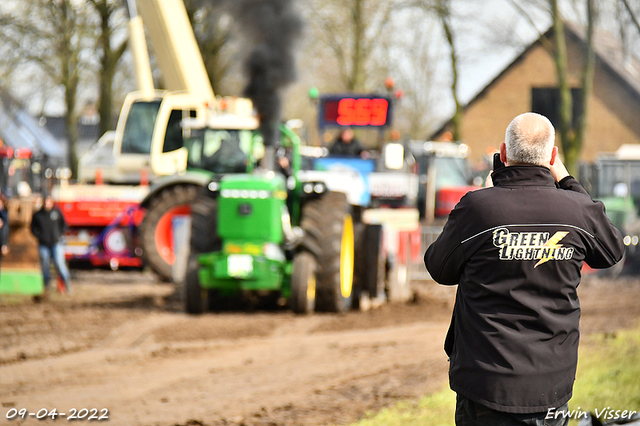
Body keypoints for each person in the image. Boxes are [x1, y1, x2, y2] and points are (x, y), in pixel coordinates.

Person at [424, 112, 624, 426]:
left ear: (503, 154)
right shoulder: (577, 210)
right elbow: (611, 250)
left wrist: (483, 195)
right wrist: (569, 181)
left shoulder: (477, 209)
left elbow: (438, 268)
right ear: (553, 157)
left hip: (485, 386)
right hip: (551, 389)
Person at [31, 195, 71, 293]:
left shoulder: (57, 212)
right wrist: (39, 236)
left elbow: (64, 225)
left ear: (52, 202)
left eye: (49, 202)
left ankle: (67, 287)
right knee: (45, 266)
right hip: (43, 244)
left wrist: (60, 235)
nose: (47, 204)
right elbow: (32, 228)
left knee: (59, 264)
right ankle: (46, 288)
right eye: (45, 202)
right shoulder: (38, 215)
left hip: (56, 243)